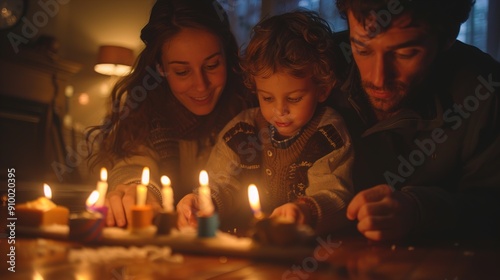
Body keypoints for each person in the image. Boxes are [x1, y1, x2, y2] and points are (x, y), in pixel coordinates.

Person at [327, 0, 500, 241]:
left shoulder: (484, 91)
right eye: (363, 49)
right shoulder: (314, 65)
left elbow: (492, 209)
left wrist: (420, 210)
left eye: (405, 53)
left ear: (448, 36)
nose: (379, 78)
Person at [176, 11, 354, 235]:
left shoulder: (327, 134)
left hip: (306, 252)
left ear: (323, 89)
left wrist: (305, 211)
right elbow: (223, 181)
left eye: (294, 98)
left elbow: (334, 193)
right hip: (244, 245)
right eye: (267, 98)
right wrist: (204, 201)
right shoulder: (242, 131)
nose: (280, 111)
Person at [86, 0, 254, 227]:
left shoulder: (255, 108)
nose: (201, 85)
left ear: (227, 56)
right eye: (182, 71)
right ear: (160, 67)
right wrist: (139, 189)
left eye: (212, 65)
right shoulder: (146, 111)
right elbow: (133, 161)